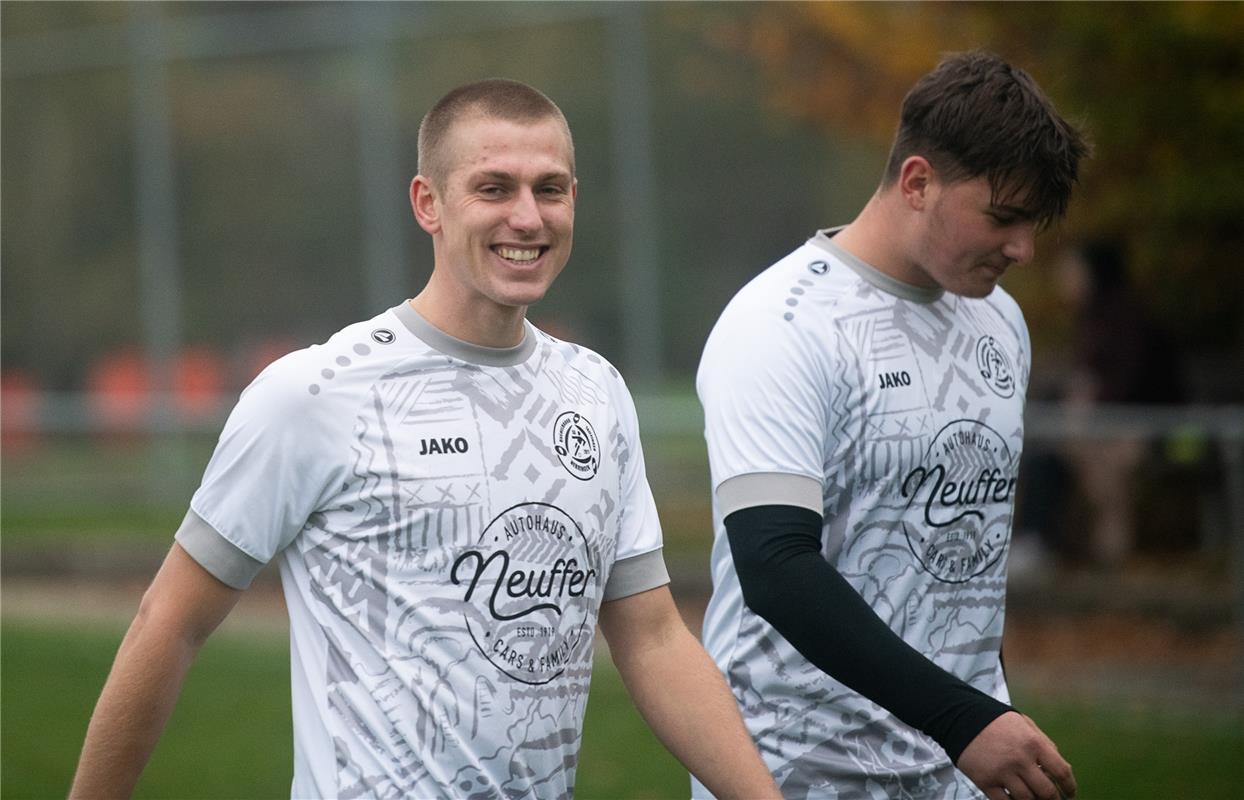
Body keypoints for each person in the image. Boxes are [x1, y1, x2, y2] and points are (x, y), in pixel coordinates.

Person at [70, 79, 779, 800]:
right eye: (495, 188)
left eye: (551, 189)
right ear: (427, 204)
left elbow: (654, 639)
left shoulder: (595, 393)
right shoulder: (317, 394)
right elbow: (169, 623)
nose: (528, 217)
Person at [693, 52, 1090, 800]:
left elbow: (959, 562)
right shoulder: (779, 327)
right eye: (1003, 218)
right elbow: (775, 567)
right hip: (795, 771)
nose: (1023, 250)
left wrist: (984, 713)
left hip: (960, 768)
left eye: (1032, 224)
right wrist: (966, 719)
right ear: (917, 183)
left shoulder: (1000, 320)